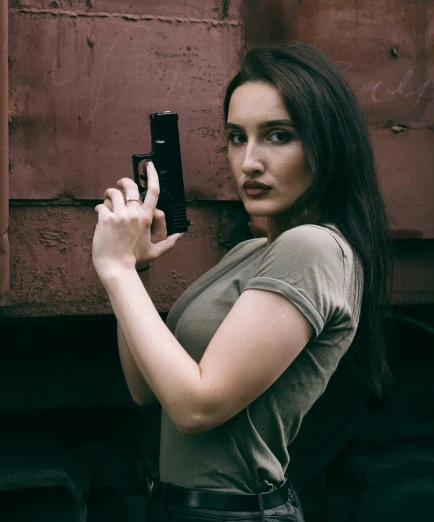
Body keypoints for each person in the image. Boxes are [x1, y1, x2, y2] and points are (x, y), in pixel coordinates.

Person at [91, 42, 391, 522]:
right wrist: (137, 271)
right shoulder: (252, 253)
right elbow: (146, 390)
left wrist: (117, 270)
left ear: (328, 144)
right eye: (236, 137)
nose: (248, 161)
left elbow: (196, 408)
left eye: (278, 135)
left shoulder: (312, 249)